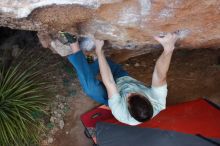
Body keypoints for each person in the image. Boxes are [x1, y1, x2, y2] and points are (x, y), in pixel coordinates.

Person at [64, 32, 178, 125]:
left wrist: (99, 50)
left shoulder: (121, 113)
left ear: (128, 109)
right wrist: (169, 49)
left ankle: (74, 44)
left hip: (112, 95)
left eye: (129, 99)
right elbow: (160, 75)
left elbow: (109, 82)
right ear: (147, 98)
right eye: (136, 94)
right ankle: (89, 57)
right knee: (98, 63)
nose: (130, 93)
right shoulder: (157, 100)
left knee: (90, 87)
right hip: (122, 77)